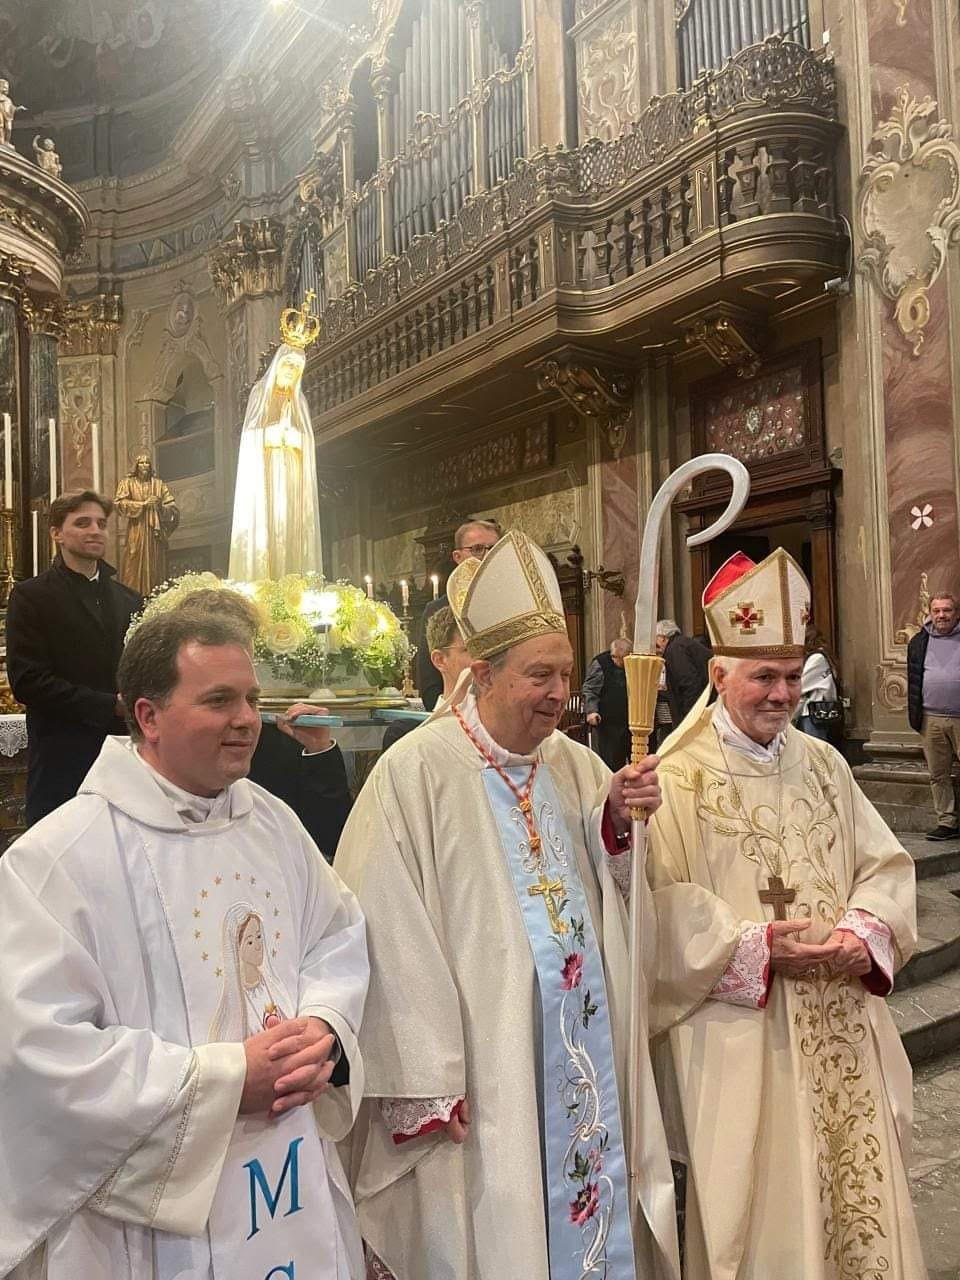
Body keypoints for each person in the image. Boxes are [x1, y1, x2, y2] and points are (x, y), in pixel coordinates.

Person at [336, 531, 679, 1280]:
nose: (561, 693)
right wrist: (423, 1079)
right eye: (539, 676)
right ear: (482, 675)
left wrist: (616, 823)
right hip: (487, 1066)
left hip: (578, 1050)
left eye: (565, 673)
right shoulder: (415, 772)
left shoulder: (577, 762)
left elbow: (611, 889)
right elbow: (383, 925)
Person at [0, 611, 369, 1279]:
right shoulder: (61, 860)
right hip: (150, 1224)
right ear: (149, 715)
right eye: (219, 700)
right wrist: (226, 1082)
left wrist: (325, 1031)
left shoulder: (271, 822)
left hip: (288, 1161)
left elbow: (337, 938)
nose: (247, 719)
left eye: (252, 699)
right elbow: (35, 1053)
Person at [647, 548, 924, 1280]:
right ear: (718, 675)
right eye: (764, 677)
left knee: (854, 1200)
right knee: (764, 1216)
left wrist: (864, 932)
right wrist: (754, 945)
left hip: (841, 1023)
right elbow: (655, 908)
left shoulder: (824, 763)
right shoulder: (676, 780)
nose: (781, 695)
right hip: (744, 1039)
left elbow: (885, 864)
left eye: (792, 677)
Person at [172, 586, 354, 861]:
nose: (244, 719)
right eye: (218, 699)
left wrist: (319, 750)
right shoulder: (168, 741)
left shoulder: (281, 737)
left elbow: (332, 838)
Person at [6, 490, 143, 825]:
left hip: (126, 754)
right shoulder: (30, 596)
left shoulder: (130, 599)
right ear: (57, 533)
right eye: (82, 523)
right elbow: (28, 682)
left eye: (100, 523)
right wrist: (108, 704)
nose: (95, 530)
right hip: (62, 756)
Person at [229, 342, 322, 581]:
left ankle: (293, 580)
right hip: (266, 470)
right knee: (269, 528)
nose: (292, 369)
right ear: (278, 364)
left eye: (297, 366)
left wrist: (293, 437)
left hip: (292, 470)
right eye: (288, 363)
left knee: (290, 527)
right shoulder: (261, 393)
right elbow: (249, 435)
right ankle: (263, 582)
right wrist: (272, 435)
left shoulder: (299, 401)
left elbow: (307, 440)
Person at [415, 518, 500, 710]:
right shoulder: (437, 610)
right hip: (456, 716)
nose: (486, 557)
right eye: (477, 549)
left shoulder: (513, 603)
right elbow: (429, 684)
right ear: (458, 556)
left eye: (493, 549)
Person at [907, 591, 960, 840]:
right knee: (938, 775)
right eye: (936, 611)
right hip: (931, 719)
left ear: (956, 613)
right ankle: (946, 822)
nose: (942, 615)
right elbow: (914, 679)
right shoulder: (919, 642)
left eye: (947, 610)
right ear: (930, 613)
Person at [382, 605, 471, 751]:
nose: (484, 658)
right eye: (470, 648)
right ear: (440, 660)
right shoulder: (409, 740)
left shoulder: (510, 725)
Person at [114, 454, 180, 596]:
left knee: (155, 566)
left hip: (154, 535)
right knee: (132, 564)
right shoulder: (127, 483)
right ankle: (132, 598)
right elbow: (119, 504)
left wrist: (160, 507)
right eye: (141, 463)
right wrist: (142, 505)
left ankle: (155, 597)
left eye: (147, 463)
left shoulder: (159, 484)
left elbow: (173, 508)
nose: (144, 465)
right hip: (136, 531)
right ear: (136, 466)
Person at [582, 636, 631, 770]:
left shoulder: (633, 662)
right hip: (609, 724)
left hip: (630, 722)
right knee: (611, 764)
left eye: (620, 658)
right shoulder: (601, 663)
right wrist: (592, 711)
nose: (617, 661)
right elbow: (590, 689)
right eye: (614, 657)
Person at [655, 618, 711, 724]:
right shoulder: (681, 644)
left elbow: (689, 682)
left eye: (656, 639)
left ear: (663, 638)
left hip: (695, 709)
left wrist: (689, 716)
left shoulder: (676, 649)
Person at [795, 621, 840, 740]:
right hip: (818, 714)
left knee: (813, 752)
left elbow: (800, 685)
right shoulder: (823, 655)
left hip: (813, 715)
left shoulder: (817, 658)